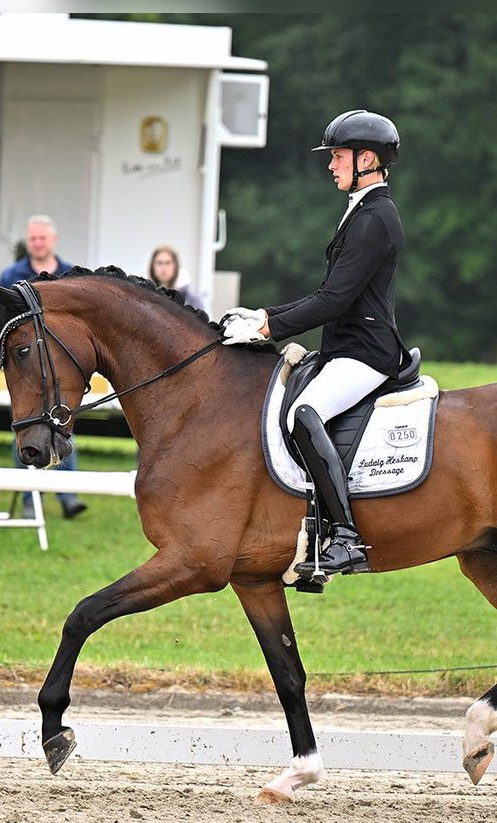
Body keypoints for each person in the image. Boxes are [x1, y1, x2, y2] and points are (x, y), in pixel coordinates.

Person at [221, 109, 407, 579]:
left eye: (338, 156)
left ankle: (346, 537)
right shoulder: (361, 210)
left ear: (367, 159)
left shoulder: (375, 217)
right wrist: (265, 316)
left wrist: (268, 326)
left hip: (367, 351)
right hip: (346, 346)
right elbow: (331, 295)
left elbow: (334, 300)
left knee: (304, 414)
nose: (331, 164)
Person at [0, 214, 87, 520]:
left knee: (64, 425)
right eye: (33, 238)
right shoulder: (11, 275)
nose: (38, 243)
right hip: (26, 370)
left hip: (59, 369)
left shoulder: (68, 275)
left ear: (53, 240)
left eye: (42, 238)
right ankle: (29, 499)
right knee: (25, 426)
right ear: (28, 241)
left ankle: (67, 495)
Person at [149, 245, 200, 310]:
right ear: (152, 266)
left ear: (175, 266)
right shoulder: (147, 294)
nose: (163, 267)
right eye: (159, 263)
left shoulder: (192, 299)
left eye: (167, 263)